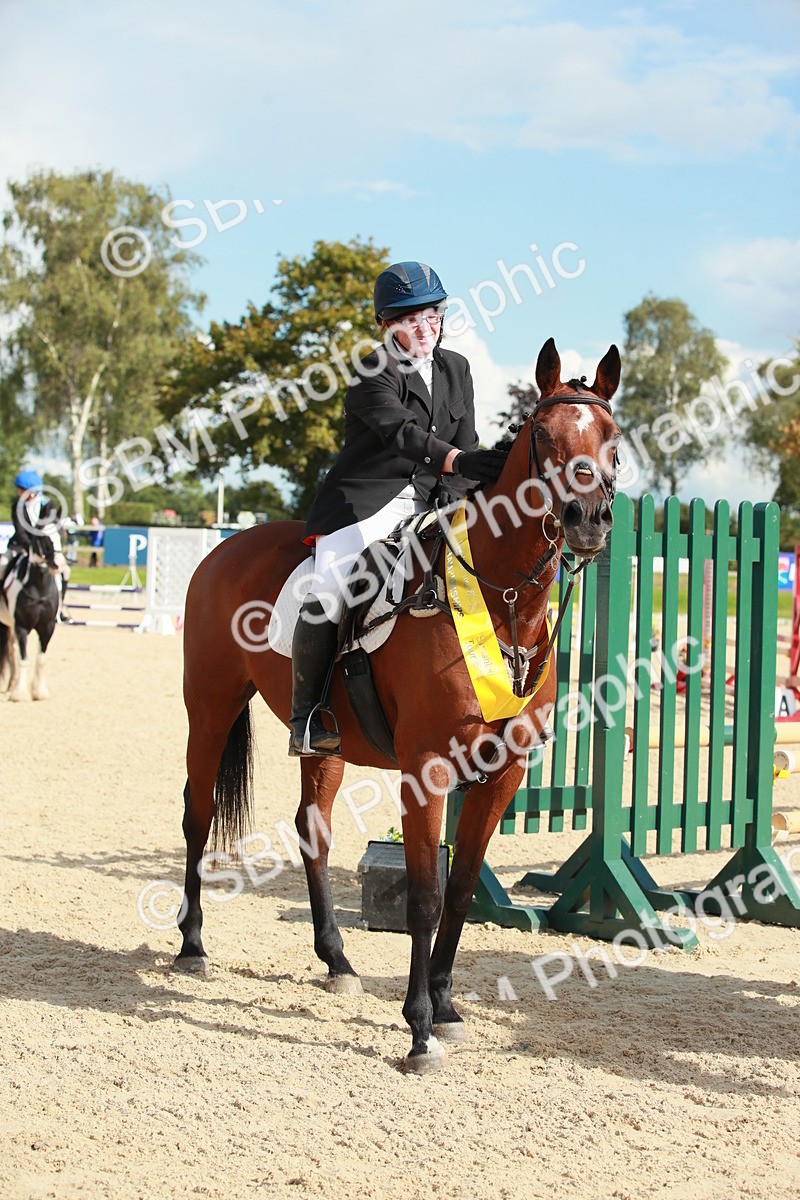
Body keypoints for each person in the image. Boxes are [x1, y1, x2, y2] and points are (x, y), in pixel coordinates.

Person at [289, 260, 508, 757]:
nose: (424, 327)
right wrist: (460, 460)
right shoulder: (372, 369)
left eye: (433, 315)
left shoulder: (458, 369)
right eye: (410, 320)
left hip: (435, 501)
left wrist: (472, 488)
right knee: (330, 586)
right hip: (365, 504)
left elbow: (467, 441)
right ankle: (308, 717)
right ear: (387, 326)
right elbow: (403, 436)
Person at [1, 470, 71, 618]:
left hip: (46, 549)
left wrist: (50, 551)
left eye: (21, 489)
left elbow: (54, 528)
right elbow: (20, 532)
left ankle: (61, 605)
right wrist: (31, 549)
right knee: (2, 564)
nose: (19, 492)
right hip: (20, 547)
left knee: (65, 571)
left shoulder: (48, 504)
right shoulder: (17, 507)